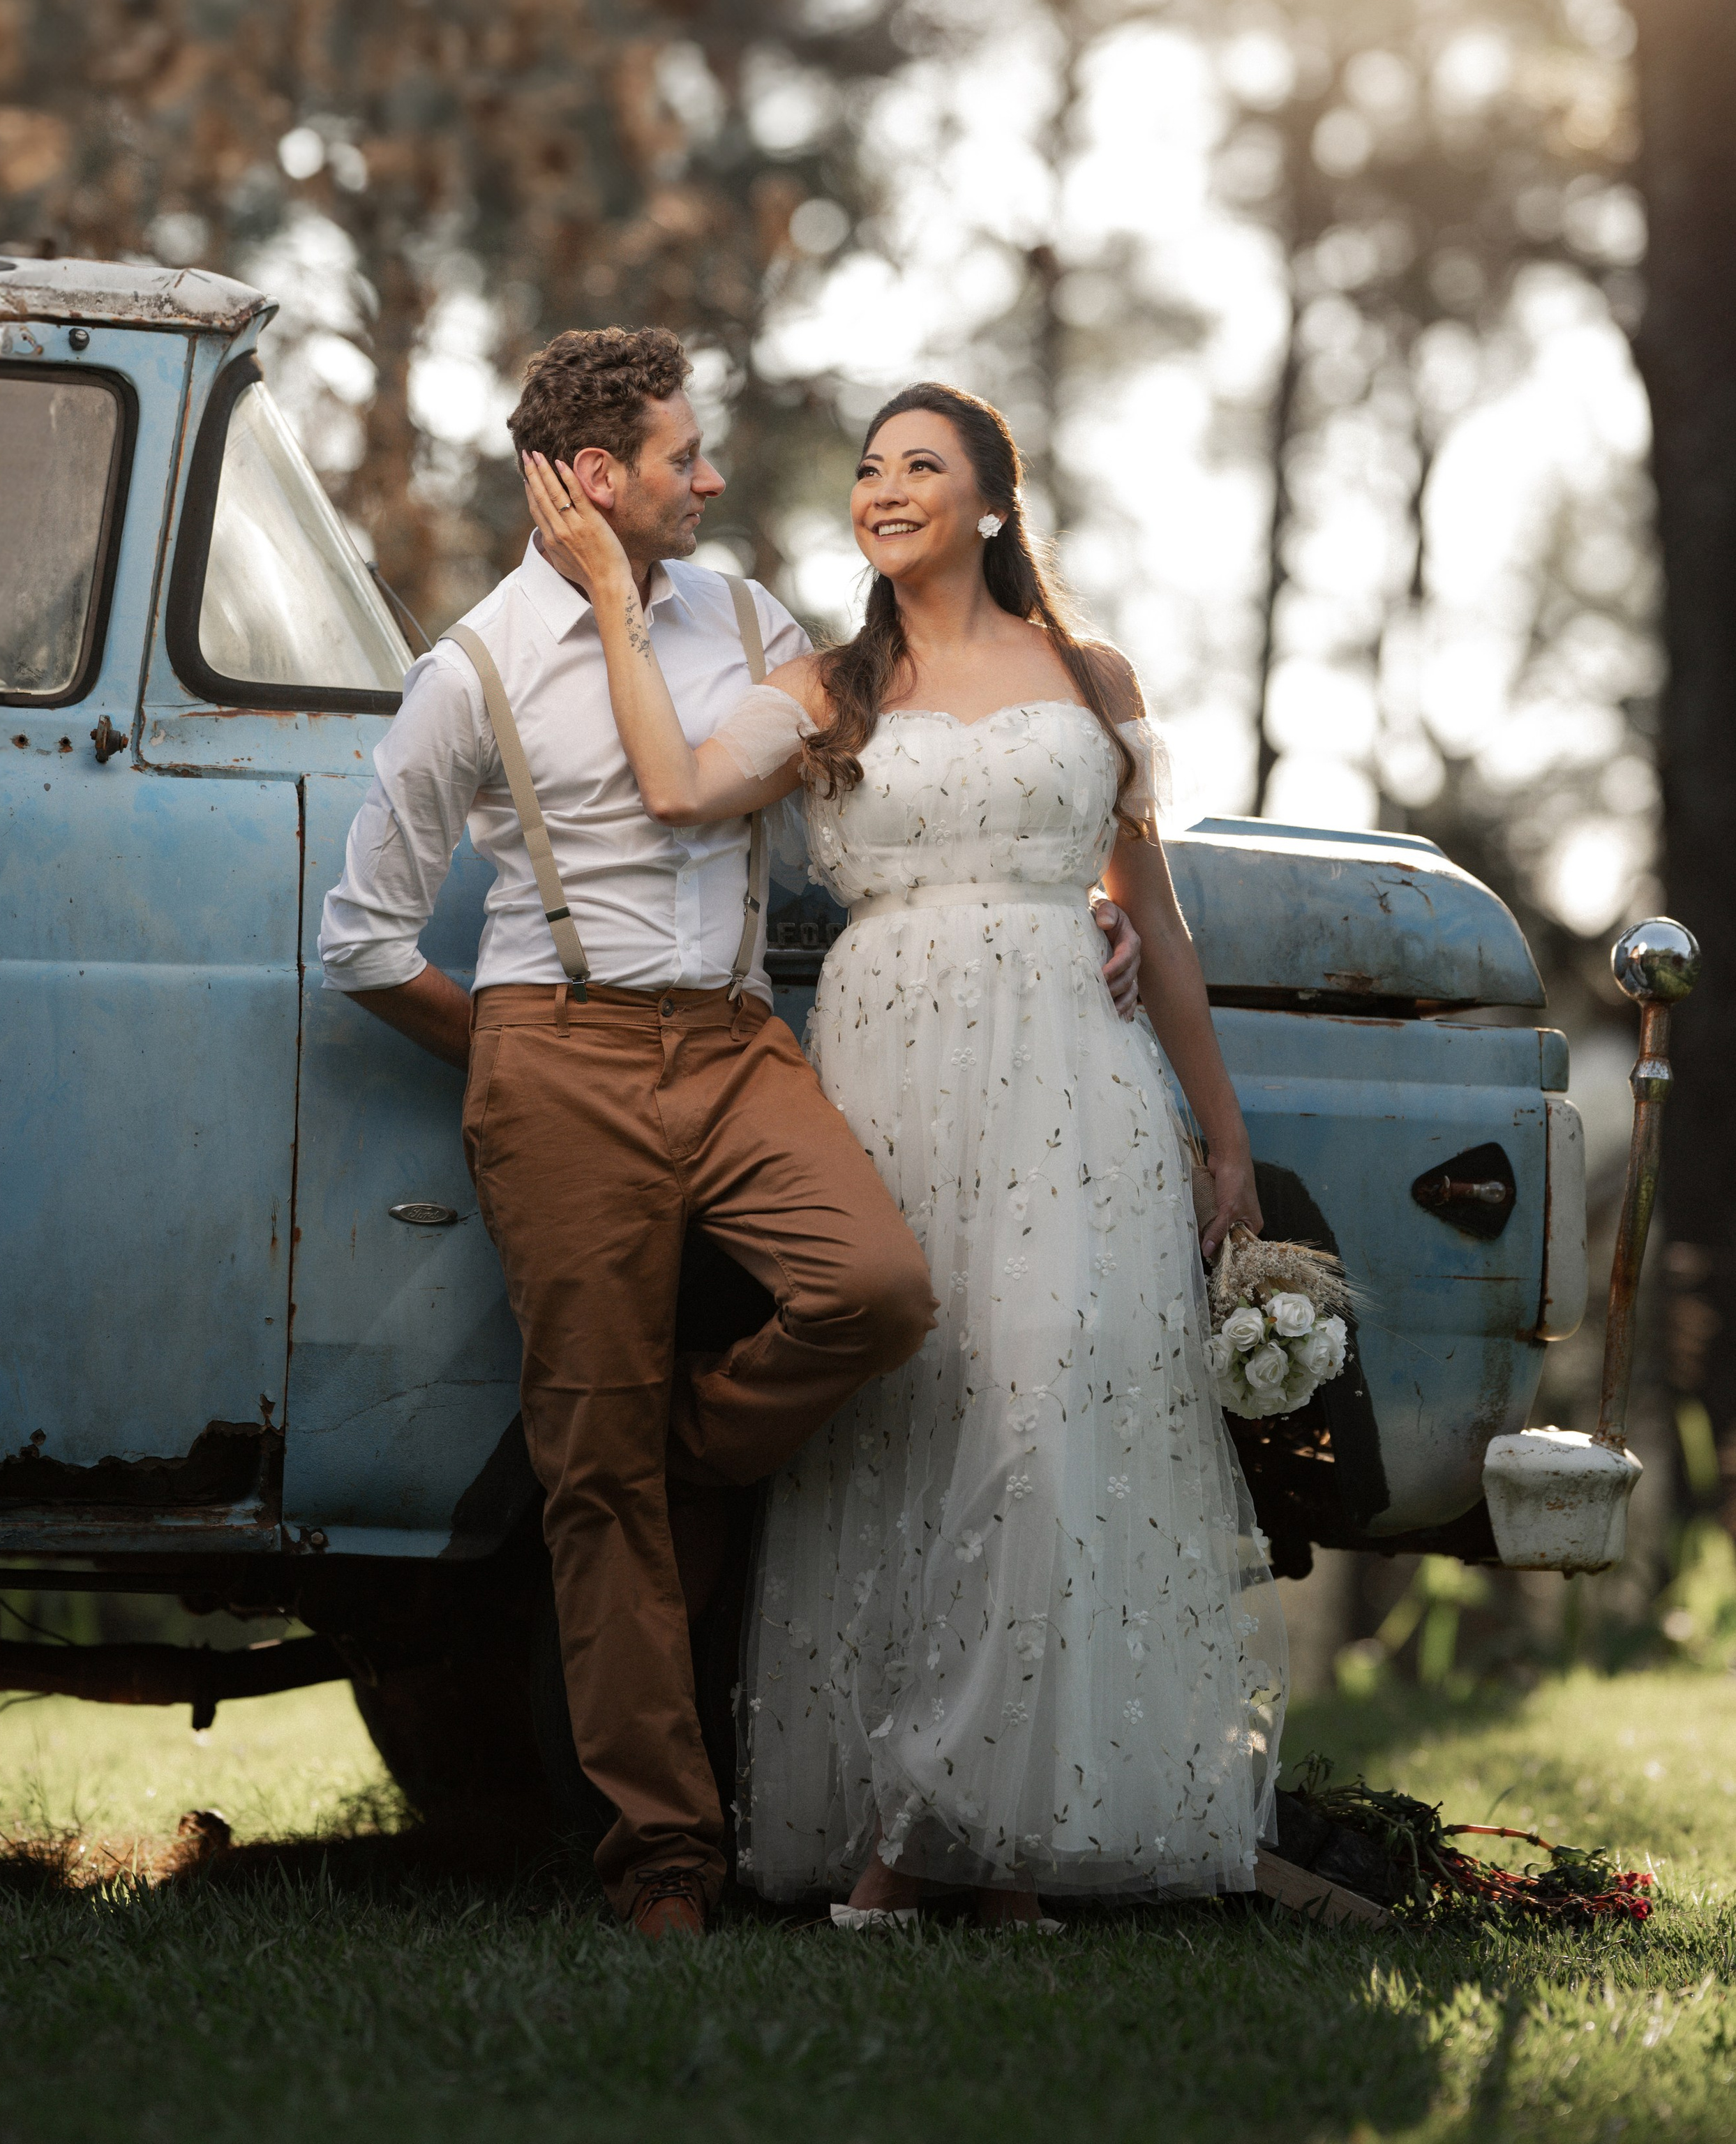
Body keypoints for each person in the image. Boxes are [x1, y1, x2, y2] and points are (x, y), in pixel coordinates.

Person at [317, 329, 1145, 1939]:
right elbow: (360, 938)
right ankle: (665, 1865)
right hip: (558, 1057)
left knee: (875, 1293)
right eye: (683, 456)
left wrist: (1083, 909)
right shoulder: (469, 670)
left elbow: (906, 778)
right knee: (587, 1486)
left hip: (737, 1042)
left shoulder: (756, 621)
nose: (714, 479)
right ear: (592, 480)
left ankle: (683, 1456)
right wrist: (520, 1056)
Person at [520, 376, 1285, 1930]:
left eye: (918, 466)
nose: (880, 489)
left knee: (1046, 1414)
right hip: (893, 1071)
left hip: (1076, 1084)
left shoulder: (1090, 674)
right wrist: (610, 593)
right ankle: (950, 1842)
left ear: (990, 505)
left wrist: (1224, 1140)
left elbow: (1158, 921)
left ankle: (956, 1833)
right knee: (914, 1436)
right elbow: (674, 787)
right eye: (868, 469)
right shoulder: (826, 688)